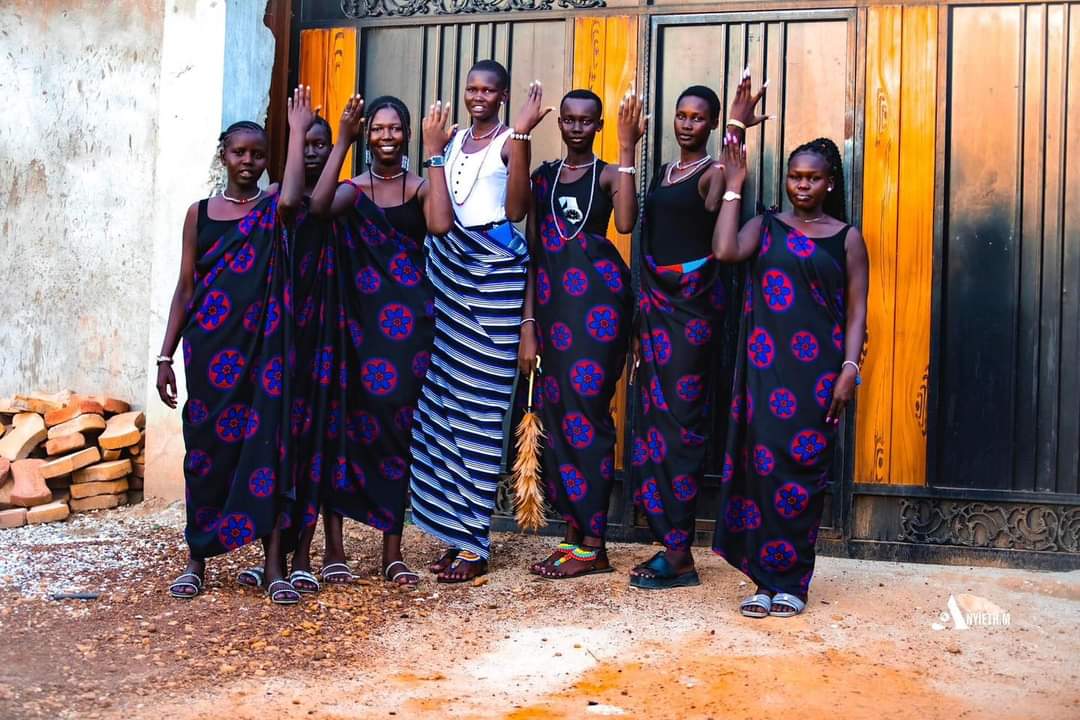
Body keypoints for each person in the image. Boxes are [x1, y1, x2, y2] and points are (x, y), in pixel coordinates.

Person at [288, 90, 452, 588]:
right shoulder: (352, 190)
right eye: (377, 129)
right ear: (368, 135)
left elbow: (441, 224)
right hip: (352, 327)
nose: (386, 137)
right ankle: (335, 551)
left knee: (393, 435)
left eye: (394, 128)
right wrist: (342, 140)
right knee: (339, 430)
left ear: (407, 134)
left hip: (404, 334)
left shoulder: (420, 187)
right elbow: (316, 207)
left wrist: (436, 154)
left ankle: (392, 554)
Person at [711, 136, 868, 617]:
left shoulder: (847, 238)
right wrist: (734, 184)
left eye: (812, 178)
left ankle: (793, 582)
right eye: (795, 177)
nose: (802, 185)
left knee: (803, 477)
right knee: (762, 473)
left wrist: (850, 368)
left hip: (819, 376)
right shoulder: (765, 226)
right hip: (764, 372)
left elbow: (858, 312)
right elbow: (724, 250)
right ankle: (763, 581)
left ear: (830, 183)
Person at [409, 60, 551, 583]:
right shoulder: (449, 143)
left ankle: (475, 543)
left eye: (488, 90)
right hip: (450, 282)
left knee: (482, 415)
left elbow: (515, 211)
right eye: (472, 88)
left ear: (503, 95)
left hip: (493, 287)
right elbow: (437, 217)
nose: (478, 96)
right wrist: (432, 149)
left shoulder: (511, 142)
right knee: (444, 409)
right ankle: (454, 532)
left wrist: (524, 135)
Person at [629, 74, 767, 590]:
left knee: (681, 427)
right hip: (654, 311)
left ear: (710, 126)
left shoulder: (712, 174)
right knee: (654, 424)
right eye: (682, 116)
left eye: (699, 118)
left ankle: (680, 553)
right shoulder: (664, 172)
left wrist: (737, 126)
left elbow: (721, 194)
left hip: (689, 316)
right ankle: (668, 540)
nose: (688, 125)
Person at [156, 121, 299, 604]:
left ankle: (274, 565)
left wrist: (297, 129)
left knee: (266, 450)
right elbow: (186, 288)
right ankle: (197, 559)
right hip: (210, 354)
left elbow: (292, 195)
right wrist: (165, 355)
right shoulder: (198, 214)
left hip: (263, 355)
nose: (248, 162)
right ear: (223, 155)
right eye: (239, 153)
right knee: (205, 454)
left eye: (257, 154)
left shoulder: (274, 209)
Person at [518, 88, 645, 578]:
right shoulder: (543, 178)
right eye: (569, 119)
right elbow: (533, 252)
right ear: (560, 124)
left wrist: (628, 148)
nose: (576, 127)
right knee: (559, 420)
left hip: (598, 312)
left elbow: (627, 223)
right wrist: (529, 324)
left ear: (598, 126)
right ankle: (574, 536)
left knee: (588, 419)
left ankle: (595, 544)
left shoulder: (609, 174)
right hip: (553, 315)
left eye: (586, 121)